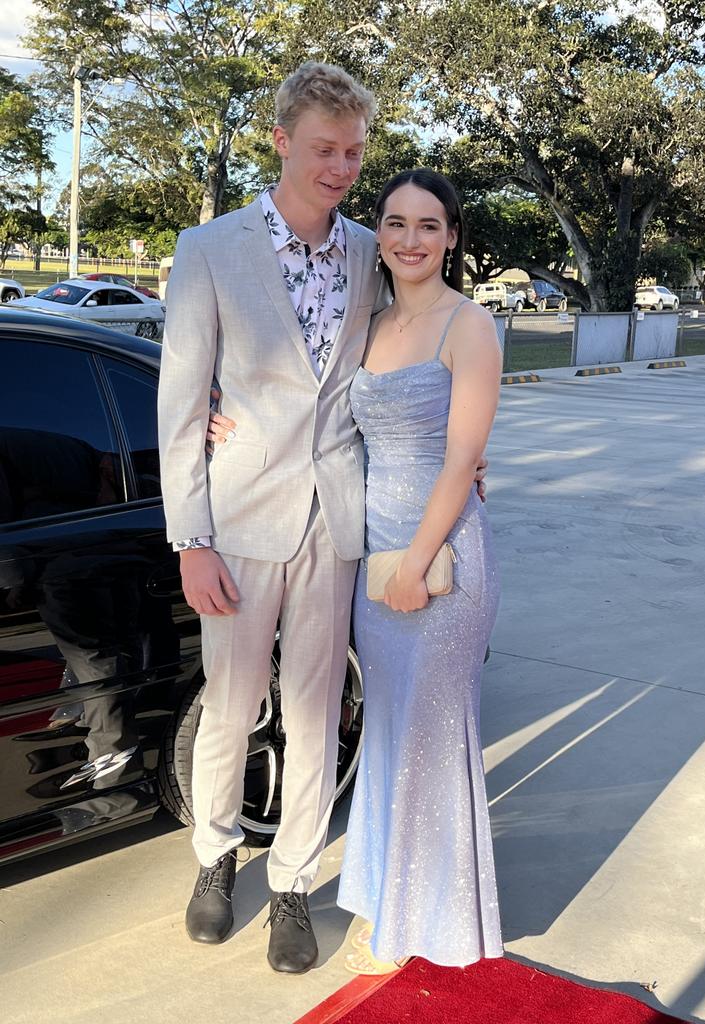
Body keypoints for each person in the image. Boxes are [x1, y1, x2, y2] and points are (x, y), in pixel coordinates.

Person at [208, 169, 503, 974]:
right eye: (397, 223)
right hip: (370, 559)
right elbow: (299, 398)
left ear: (452, 238)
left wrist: (414, 564)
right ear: (380, 233)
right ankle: (389, 898)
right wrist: (211, 410)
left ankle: (434, 924)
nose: (411, 239)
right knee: (391, 739)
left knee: (434, 739)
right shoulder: (365, 324)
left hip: (437, 565)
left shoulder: (468, 326)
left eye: (430, 225)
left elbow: (462, 460)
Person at [157, 62, 382, 974]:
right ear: (282, 140)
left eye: (355, 151)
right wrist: (190, 537)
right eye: (325, 149)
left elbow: (410, 358)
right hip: (240, 519)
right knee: (232, 705)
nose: (341, 167)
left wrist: (462, 447)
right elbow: (178, 400)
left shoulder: (371, 249)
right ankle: (215, 859)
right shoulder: (208, 247)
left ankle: (292, 876)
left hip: (337, 520)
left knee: (319, 709)